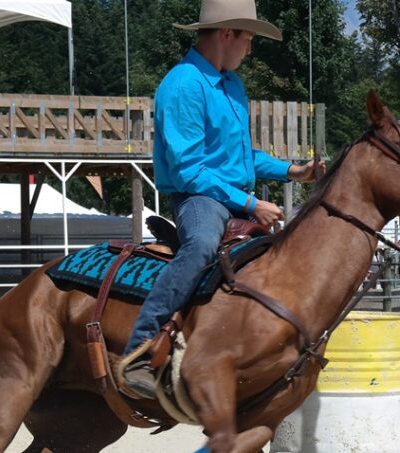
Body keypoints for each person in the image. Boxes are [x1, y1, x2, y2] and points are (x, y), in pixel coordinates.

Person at [121, 0, 323, 399]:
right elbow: (188, 170)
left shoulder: (232, 85)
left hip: (231, 194)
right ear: (227, 34)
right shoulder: (182, 85)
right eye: (248, 38)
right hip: (198, 197)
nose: (250, 49)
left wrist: (292, 171)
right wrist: (251, 205)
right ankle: (140, 351)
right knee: (199, 247)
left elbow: (240, 157)